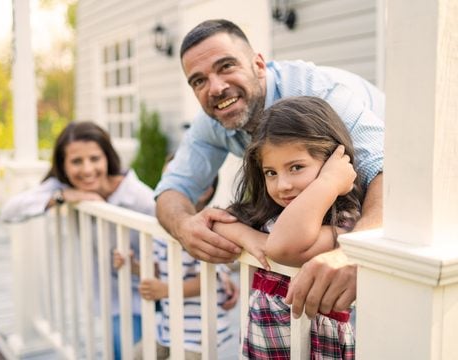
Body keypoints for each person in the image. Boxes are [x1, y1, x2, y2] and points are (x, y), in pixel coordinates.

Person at [154, 19, 384, 319]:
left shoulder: (318, 92)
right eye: (199, 81)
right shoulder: (211, 121)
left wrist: (356, 255)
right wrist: (184, 227)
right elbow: (172, 189)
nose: (216, 88)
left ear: (258, 65)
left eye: (226, 66)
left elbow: (388, 174)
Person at [213, 96, 361, 358]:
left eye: (296, 167)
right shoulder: (269, 215)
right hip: (263, 346)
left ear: (332, 162)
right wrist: (249, 237)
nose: (282, 185)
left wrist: (327, 182)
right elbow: (217, 222)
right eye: (271, 172)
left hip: (315, 347)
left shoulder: (343, 222)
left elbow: (282, 247)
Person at [0, 121, 154, 360]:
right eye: (76, 161)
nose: (87, 170)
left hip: (150, 296)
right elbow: (10, 211)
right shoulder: (63, 187)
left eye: (95, 159)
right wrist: (64, 196)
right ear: (63, 165)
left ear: (108, 158)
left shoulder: (139, 197)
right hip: (111, 299)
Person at [114, 175, 238, 359]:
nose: (164, 189)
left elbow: (210, 281)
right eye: (163, 180)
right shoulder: (163, 229)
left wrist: (166, 290)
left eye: (173, 182)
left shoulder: (209, 229)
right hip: (167, 328)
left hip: (197, 334)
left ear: (205, 191)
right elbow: (158, 267)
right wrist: (133, 266)